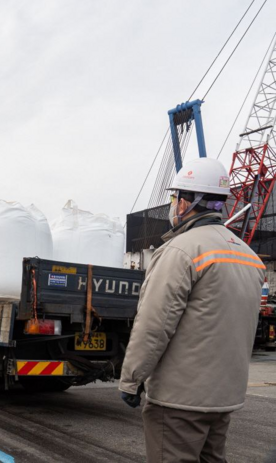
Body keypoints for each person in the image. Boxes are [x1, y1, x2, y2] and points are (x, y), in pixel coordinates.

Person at [119, 158, 265, 462]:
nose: (173, 205)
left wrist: (131, 379)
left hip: (178, 401)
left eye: (175, 198)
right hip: (223, 400)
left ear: (187, 202)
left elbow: (154, 325)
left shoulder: (180, 251)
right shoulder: (250, 258)